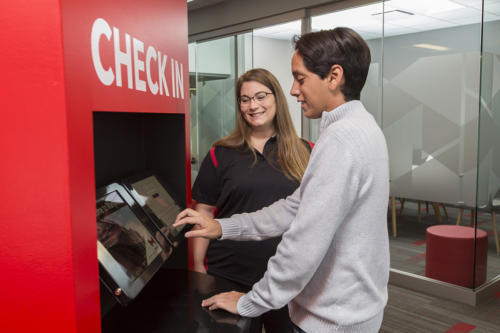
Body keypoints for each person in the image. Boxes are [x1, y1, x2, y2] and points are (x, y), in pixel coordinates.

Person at [176, 27, 390, 333]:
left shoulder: (340, 140)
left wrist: (250, 302)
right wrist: (224, 227)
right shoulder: (361, 127)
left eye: (300, 78)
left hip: (333, 319)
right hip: (343, 309)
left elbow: (304, 243)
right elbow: (295, 206)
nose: (294, 90)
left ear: (334, 76)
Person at [191, 68, 313, 332]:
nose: (253, 105)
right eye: (245, 99)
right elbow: (204, 211)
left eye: (260, 96)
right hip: (227, 273)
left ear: (276, 99)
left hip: (285, 276)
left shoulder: (307, 151)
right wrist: (199, 267)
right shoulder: (221, 152)